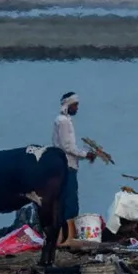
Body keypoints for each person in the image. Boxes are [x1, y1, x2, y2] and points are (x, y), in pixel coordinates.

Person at [52, 92, 95, 242]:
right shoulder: (63, 121)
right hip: (67, 166)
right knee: (70, 202)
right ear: (68, 105)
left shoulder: (64, 120)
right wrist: (86, 154)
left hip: (65, 165)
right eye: (75, 105)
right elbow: (67, 146)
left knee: (64, 201)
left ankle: (62, 237)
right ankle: (69, 237)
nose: (77, 108)